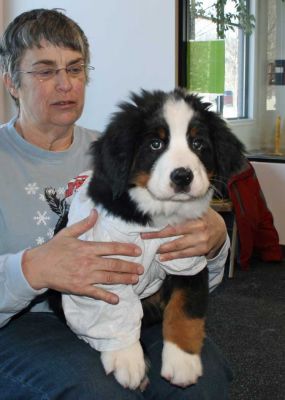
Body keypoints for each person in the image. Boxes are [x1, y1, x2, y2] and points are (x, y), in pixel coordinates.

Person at [0, 8, 232, 400]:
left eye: (75, 69)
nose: (65, 85)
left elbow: (191, 275)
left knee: (201, 381)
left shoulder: (131, 150)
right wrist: (32, 268)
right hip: (27, 322)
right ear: (11, 83)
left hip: (136, 308)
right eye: (44, 71)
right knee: (100, 391)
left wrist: (214, 241)